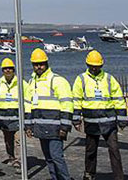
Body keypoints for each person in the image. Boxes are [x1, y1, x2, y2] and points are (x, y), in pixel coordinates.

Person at [72, 50, 128, 180]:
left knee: (114, 150)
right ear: (87, 64)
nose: (94, 68)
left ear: (101, 65)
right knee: (90, 151)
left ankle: (119, 177)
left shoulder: (109, 79)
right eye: (92, 66)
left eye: (96, 66)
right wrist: (76, 120)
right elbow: (76, 100)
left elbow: (119, 100)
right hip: (91, 122)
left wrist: (122, 120)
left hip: (109, 122)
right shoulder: (81, 79)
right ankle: (89, 174)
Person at [26, 48, 73, 180]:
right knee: (49, 158)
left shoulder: (58, 81)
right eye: (36, 64)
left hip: (55, 128)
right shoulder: (32, 82)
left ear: (46, 63)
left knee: (57, 157)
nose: (39, 67)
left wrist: (64, 127)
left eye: (41, 64)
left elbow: (67, 105)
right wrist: (28, 126)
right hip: (41, 127)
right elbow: (28, 105)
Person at [0, 58, 30, 173]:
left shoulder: (22, 84)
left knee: (19, 141)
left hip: (18, 118)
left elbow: (28, 101)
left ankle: (19, 162)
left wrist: (28, 117)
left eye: (10, 68)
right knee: (8, 140)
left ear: (14, 70)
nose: (7, 70)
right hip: (4, 119)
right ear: (2, 70)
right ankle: (11, 157)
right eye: (5, 68)